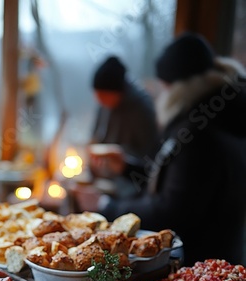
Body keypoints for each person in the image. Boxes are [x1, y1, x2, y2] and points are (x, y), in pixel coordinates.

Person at [76, 33, 246, 265]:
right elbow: (179, 185)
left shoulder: (200, 132)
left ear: (178, 86)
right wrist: (126, 166)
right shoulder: (214, 115)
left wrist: (106, 206)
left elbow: (172, 212)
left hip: (199, 267)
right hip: (213, 261)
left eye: (164, 87)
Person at [90, 55, 159, 174]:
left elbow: (149, 155)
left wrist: (122, 161)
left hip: (132, 180)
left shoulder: (141, 108)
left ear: (117, 92)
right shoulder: (105, 106)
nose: (100, 101)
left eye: (103, 96)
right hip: (107, 177)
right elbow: (96, 137)